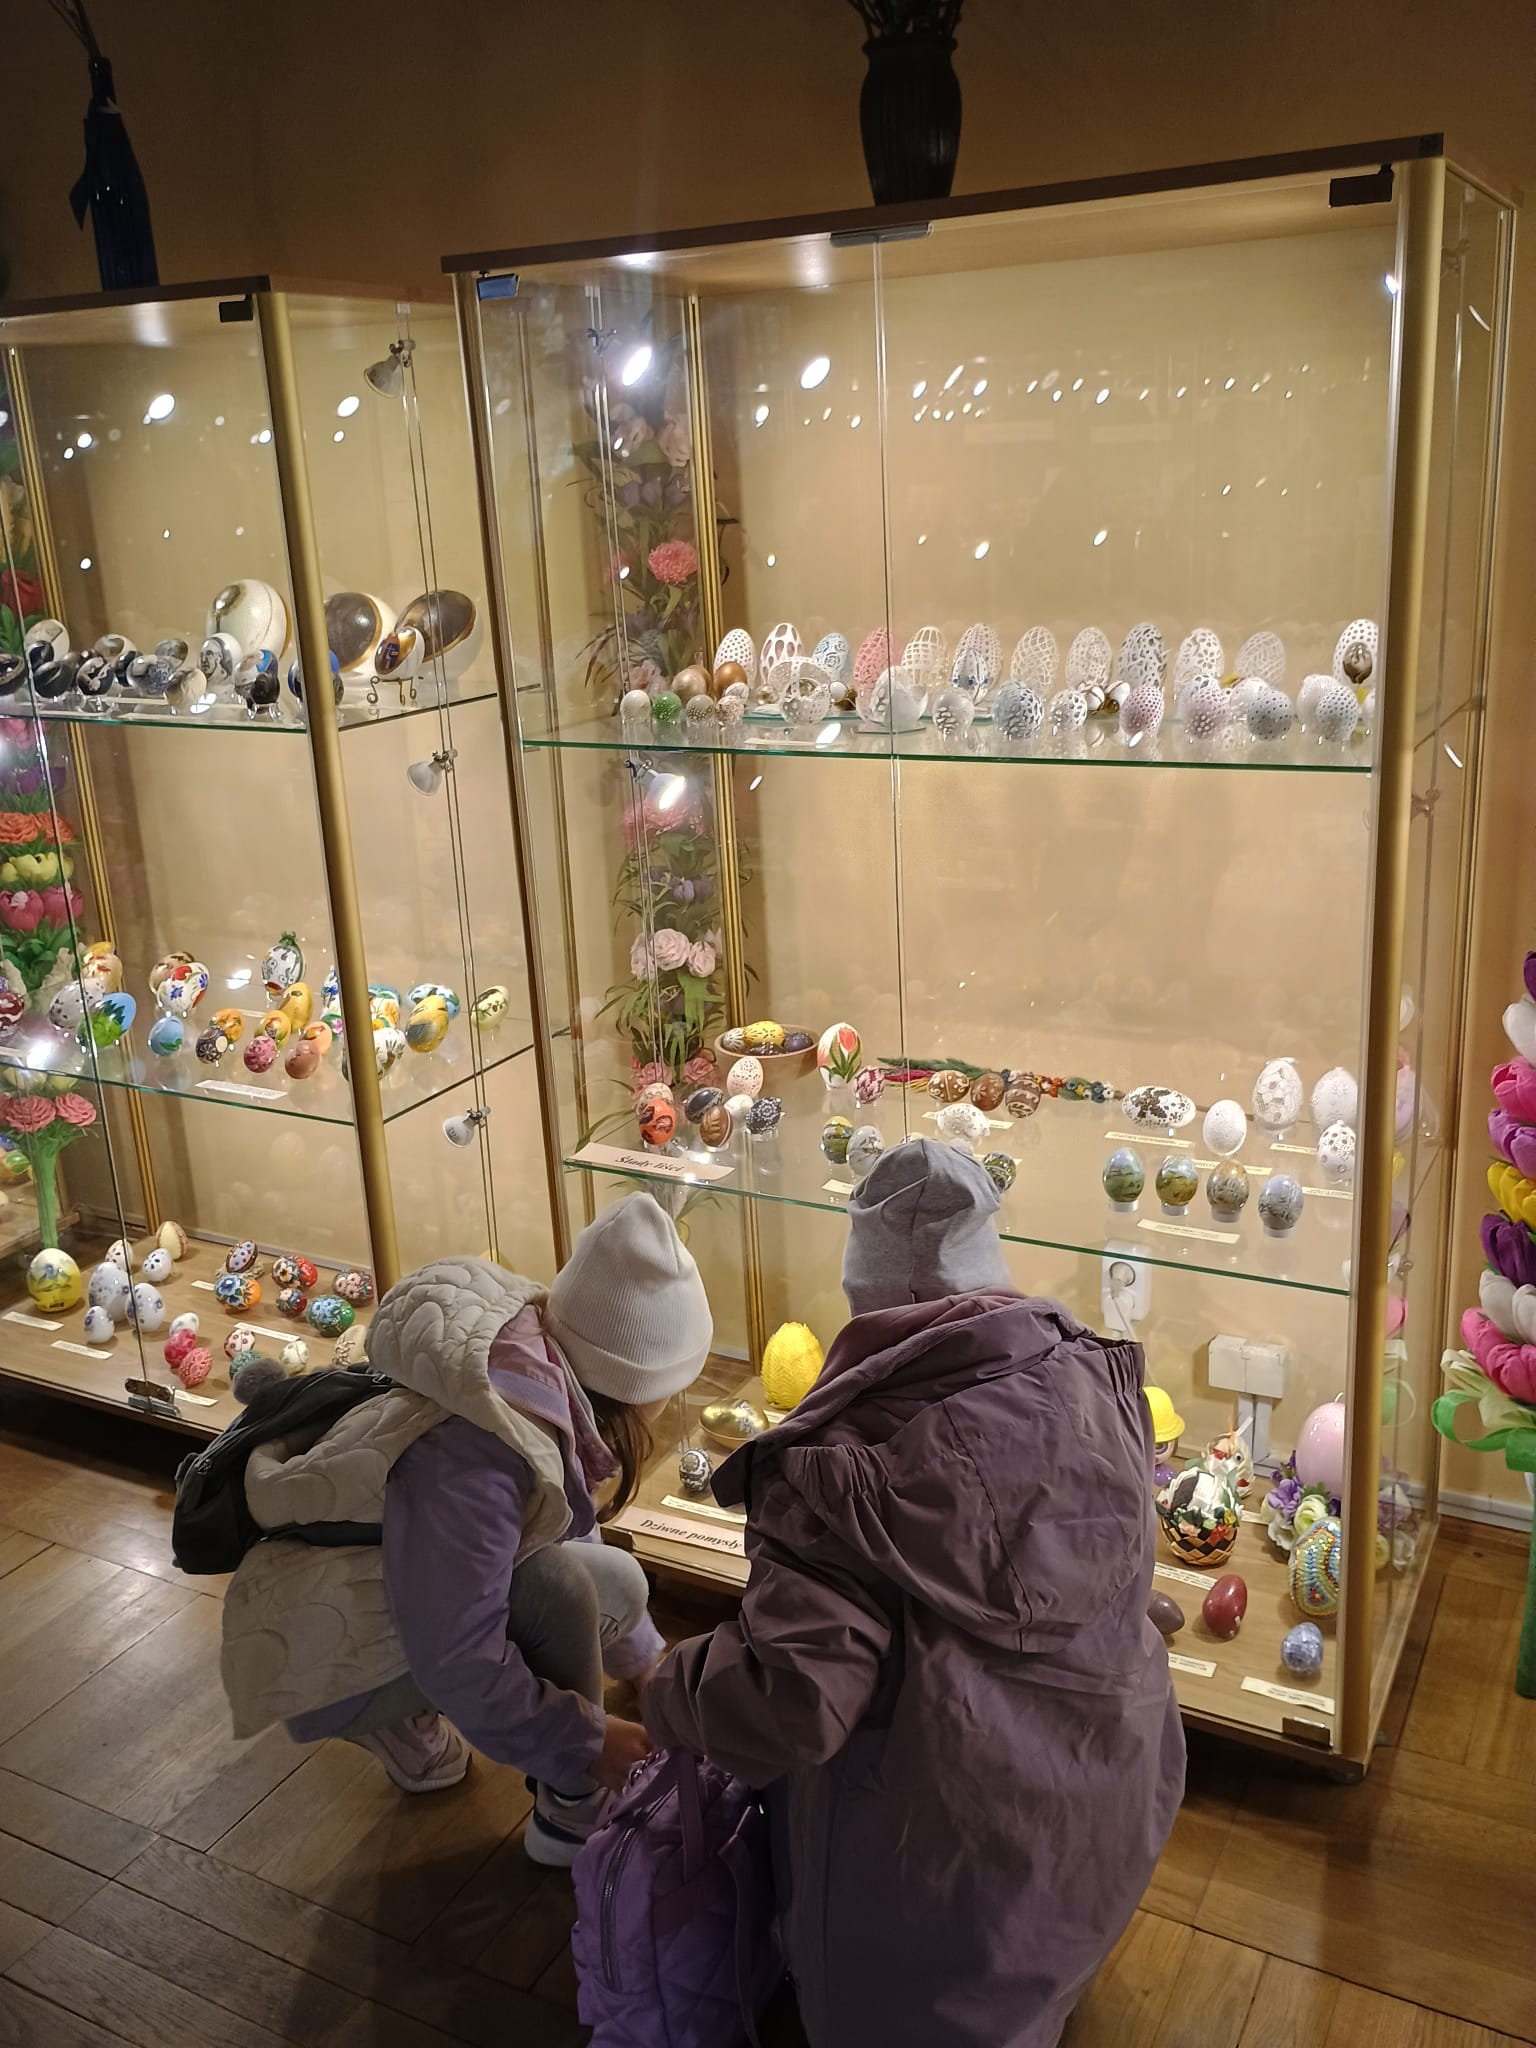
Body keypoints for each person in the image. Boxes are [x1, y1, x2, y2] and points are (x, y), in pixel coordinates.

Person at [641, 1139, 1185, 2048]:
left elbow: (797, 1699)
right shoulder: (1099, 1380)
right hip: (1101, 1817)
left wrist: (668, 1689)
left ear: (863, 1286)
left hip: (931, 1887)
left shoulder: (843, 1475)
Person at [219, 1191, 708, 1865]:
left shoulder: (530, 1372)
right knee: (559, 1589)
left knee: (610, 1582)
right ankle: (570, 1815)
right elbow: (457, 1654)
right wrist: (586, 1745)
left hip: (398, 1590)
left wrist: (645, 1663)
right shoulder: (478, 1455)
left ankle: (411, 1712)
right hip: (317, 1654)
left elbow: (563, 1522)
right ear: (641, 1382)